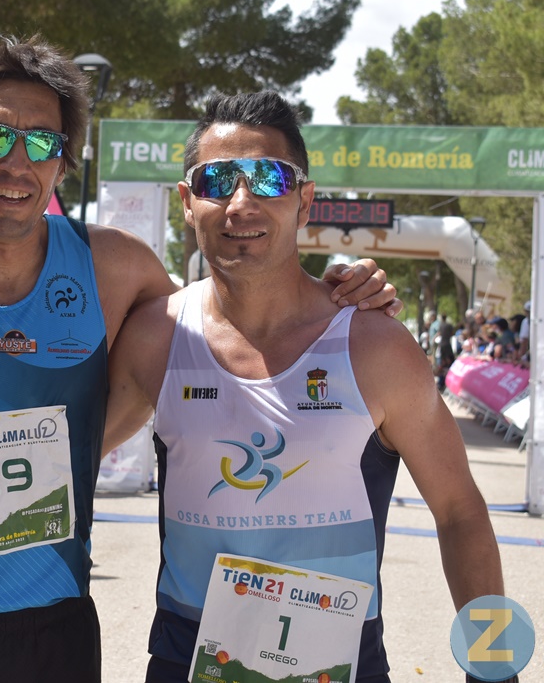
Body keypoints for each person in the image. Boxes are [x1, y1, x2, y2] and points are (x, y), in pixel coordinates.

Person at [0, 37, 398, 683]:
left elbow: (228, 331)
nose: (18, 162)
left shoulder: (118, 268)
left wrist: (340, 289)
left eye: (42, 143)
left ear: (62, 163)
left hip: (48, 633)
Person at [105, 91, 509, 683]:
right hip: (187, 658)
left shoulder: (376, 347)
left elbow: (460, 511)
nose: (241, 201)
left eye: (269, 178)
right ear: (188, 204)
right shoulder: (155, 336)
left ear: (305, 199)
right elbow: (70, 458)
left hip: (339, 664)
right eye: (217, 179)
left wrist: (494, 669)